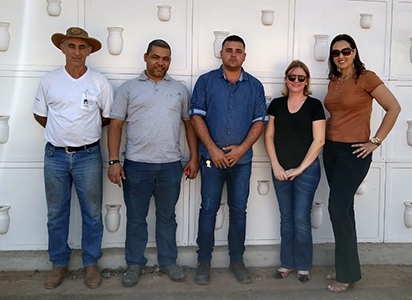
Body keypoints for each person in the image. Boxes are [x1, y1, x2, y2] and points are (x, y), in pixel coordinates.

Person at [107, 39, 199, 287]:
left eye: (166, 58)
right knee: (136, 218)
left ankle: (169, 262)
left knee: (167, 217)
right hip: (136, 166)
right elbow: (115, 125)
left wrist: (194, 156)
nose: (161, 62)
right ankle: (134, 264)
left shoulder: (180, 89)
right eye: (156, 57)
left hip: (170, 165)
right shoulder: (128, 89)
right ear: (145, 57)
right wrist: (114, 160)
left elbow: (188, 124)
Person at [33, 27, 113, 289]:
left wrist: (82, 133)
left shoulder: (99, 82)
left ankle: (90, 263)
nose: (77, 52)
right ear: (62, 48)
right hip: (54, 155)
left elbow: (106, 118)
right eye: (72, 46)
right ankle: (59, 263)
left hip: (88, 156)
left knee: (92, 213)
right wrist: (63, 132)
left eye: (82, 47)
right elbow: (40, 115)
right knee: (56, 213)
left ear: (89, 51)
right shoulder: (49, 81)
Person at [323, 34, 401, 293]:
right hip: (331, 150)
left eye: (345, 51)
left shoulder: (366, 78)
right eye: (336, 53)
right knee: (346, 211)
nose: (341, 56)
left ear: (354, 52)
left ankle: (346, 275)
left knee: (337, 209)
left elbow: (393, 108)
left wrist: (375, 141)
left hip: (354, 153)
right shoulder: (334, 80)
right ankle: (347, 266)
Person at [190, 35, 268, 285]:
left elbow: (260, 122)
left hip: (241, 163)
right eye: (229, 50)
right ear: (221, 53)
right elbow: (196, 117)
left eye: (238, 51)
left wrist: (241, 150)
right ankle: (203, 262)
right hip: (211, 160)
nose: (233, 54)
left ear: (245, 55)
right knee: (208, 209)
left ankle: (237, 261)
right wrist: (212, 149)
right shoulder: (206, 82)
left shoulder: (254, 86)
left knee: (238, 211)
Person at [264, 60, 325, 283]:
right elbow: (268, 136)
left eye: (301, 78)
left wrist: (300, 168)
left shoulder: (314, 105)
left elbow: (319, 141)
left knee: (300, 217)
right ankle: (286, 263)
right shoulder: (277, 105)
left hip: (306, 171)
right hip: (280, 171)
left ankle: (304, 265)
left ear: (306, 81)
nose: (296, 81)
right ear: (286, 79)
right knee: (286, 217)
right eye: (292, 77)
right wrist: (276, 166)